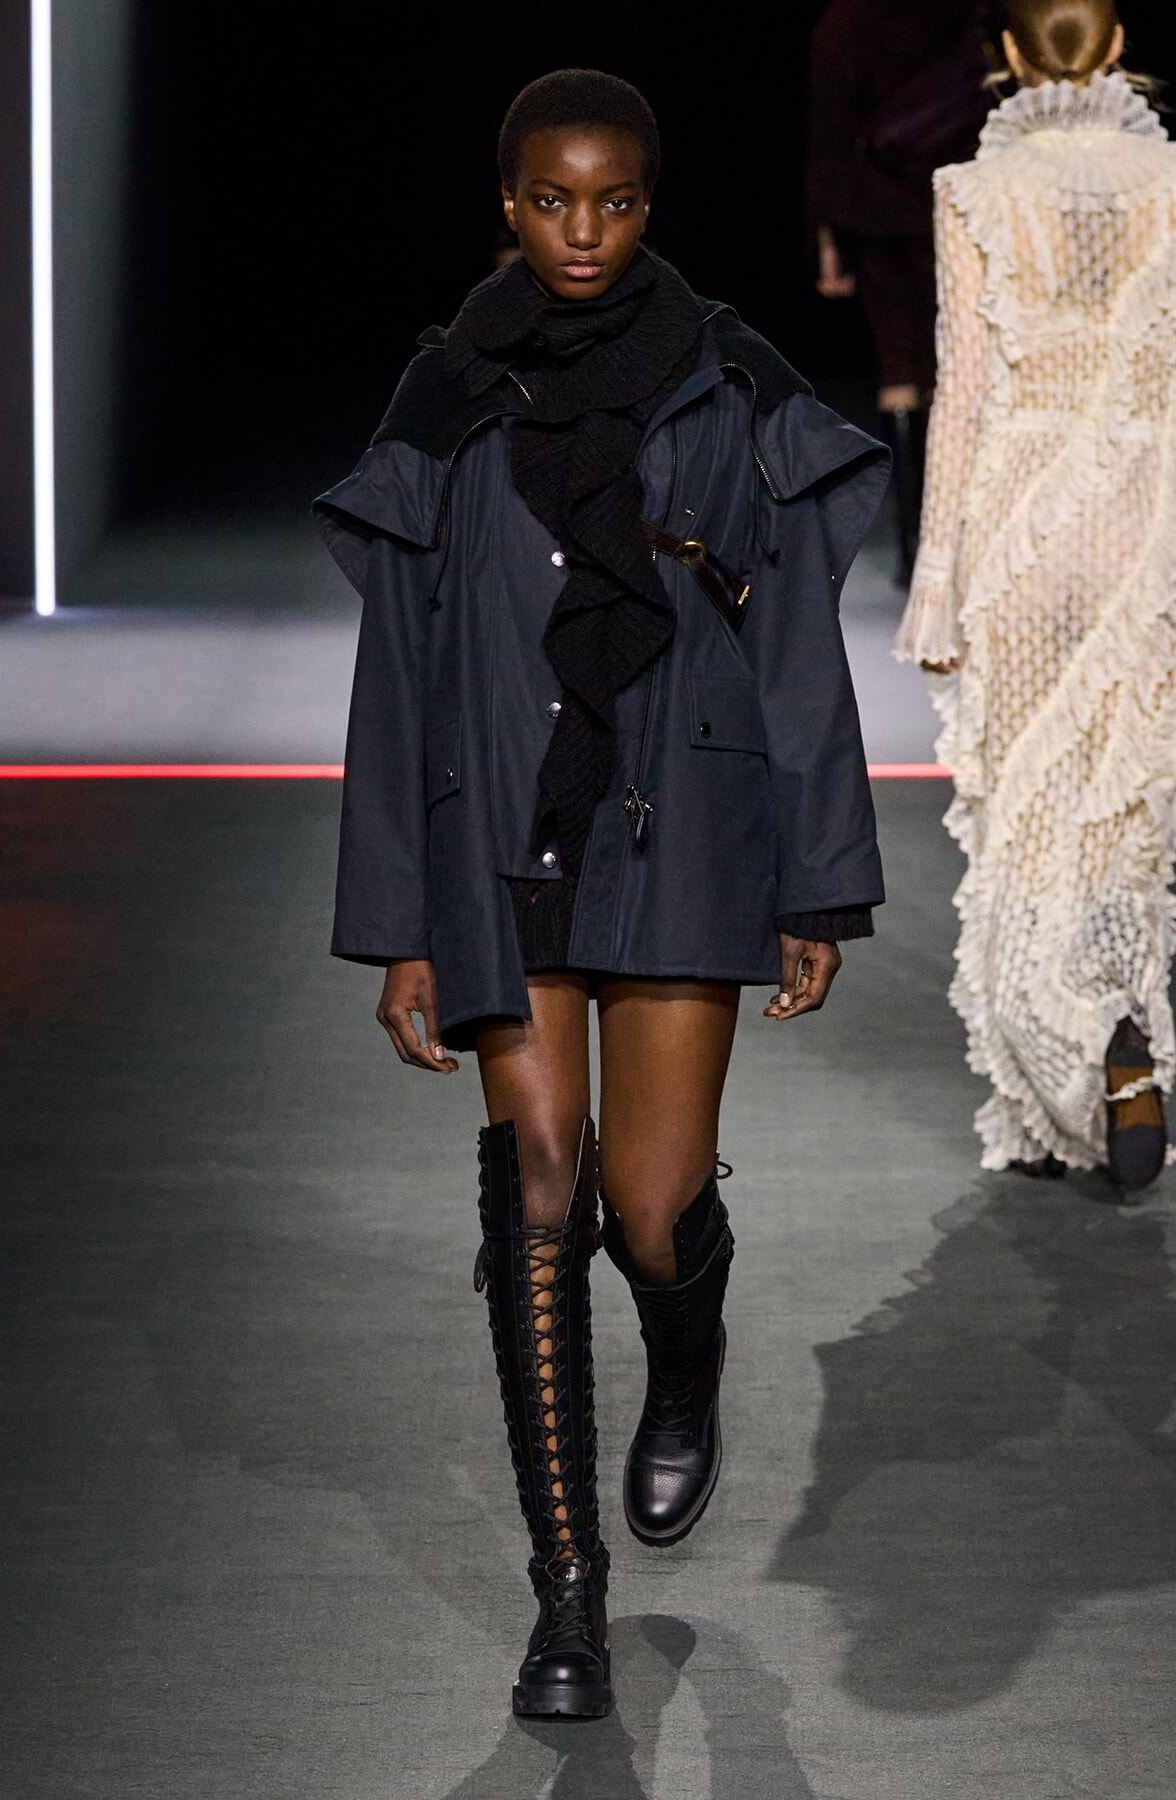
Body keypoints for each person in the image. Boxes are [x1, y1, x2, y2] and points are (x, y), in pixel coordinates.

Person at [314, 70, 888, 1721]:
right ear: (508, 204)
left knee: (648, 1209)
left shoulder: (732, 378)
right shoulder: (445, 394)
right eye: (554, 200)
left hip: (685, 821)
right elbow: (398, 668)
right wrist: (401, 923)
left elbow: (795, 647)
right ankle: (566, 1597)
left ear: (649, 204)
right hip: (501, 833)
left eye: (616, 201)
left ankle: (686, 1357)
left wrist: (815, 882)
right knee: (538, 1193)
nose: (584, 231)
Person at [896, 1, 1175, 1190]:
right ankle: (1116, 1042)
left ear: (1007, 55)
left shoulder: (972, 192)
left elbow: (963, 394)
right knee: (1121, 812)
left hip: (1019, 523)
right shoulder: (1172, 183)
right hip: (1145, 521)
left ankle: (1047, 1099)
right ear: (1115, 49)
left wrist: (935, 584)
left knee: (1023, 810)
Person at [807, 0, 993, 582]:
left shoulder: (848, 19)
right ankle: (948, 536)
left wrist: (828, 235)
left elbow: (831, 130)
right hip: (963, 200)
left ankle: (916, 543)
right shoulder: (973, 10)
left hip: (877, 207)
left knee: (899, 367)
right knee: (952, 368)